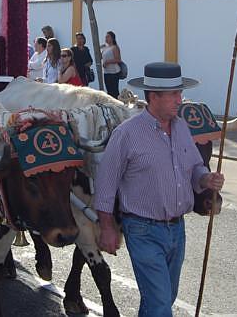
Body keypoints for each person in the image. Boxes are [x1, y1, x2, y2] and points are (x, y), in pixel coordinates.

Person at [94, 62, 225, 316]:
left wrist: (206, 179)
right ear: (154, 96)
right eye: (174, 94)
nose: (180, 99)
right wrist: (107, 227)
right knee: (159, 304)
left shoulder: (182, 128)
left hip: (177, 229)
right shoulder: (127, 134)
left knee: (163, 298)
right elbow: (106, 185)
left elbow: (194, 167)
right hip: (143, 230)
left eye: (180, 92)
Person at [101, 31, 122, 98]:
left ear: (112, 38)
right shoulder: (105, 48)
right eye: (105, 37)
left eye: (108, 37)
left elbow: (118, 59)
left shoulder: (114, 47)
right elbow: (101, 57)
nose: (106, 38)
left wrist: (108, 62)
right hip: (106, 72)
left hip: (114, 72)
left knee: (114, 91)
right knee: (109, 91)